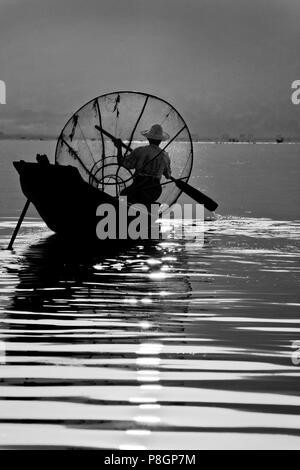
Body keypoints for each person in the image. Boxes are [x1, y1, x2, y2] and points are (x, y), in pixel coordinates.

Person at [114, 124, 171, 205]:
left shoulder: (140, 151)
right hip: (156, 191)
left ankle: (124, 214)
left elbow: (123, 163)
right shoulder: (165, 156)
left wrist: (119, 148)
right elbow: (168, 175)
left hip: (140, 188)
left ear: (148, 138)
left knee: (123, 195)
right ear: (160, 140)